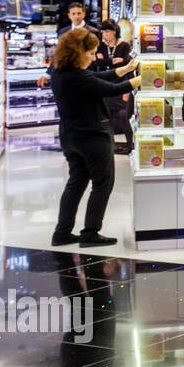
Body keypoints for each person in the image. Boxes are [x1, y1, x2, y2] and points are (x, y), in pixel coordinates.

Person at [49, 29, 141, 248]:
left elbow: (98, 78)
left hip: (71, 136)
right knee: (103, 183)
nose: (93, 57)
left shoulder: (61, 72)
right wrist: (142, 78)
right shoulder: (78, 77)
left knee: (76, 182)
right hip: (92, 137)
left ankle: (62, 232)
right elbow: (111, 89)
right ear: (77, 52)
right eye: (90, 53)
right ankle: (90, 232)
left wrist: (126, 69)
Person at [95, 20, 135, 155]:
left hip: (120, 84)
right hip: (105, 85)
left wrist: (109, 62)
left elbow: (127, 64)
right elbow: (98, 62)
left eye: (107, 31)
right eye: (103, 32)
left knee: (123, 115)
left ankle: (130, 143)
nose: (105, 35)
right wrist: (114, 61)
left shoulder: (124, 46)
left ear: (114, 31)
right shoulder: (100, 46)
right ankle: (111, 145)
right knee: (108, 117)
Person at [39, 3, 100, 88]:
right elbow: (59, 55)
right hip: (67, 78)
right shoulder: (63, 32)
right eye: (73, 14)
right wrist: (47, 74)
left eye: (79, 13)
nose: (76, 16)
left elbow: (98, 57)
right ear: (69, 15)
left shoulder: (94, 32)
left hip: (87, 77)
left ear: (84, 14)